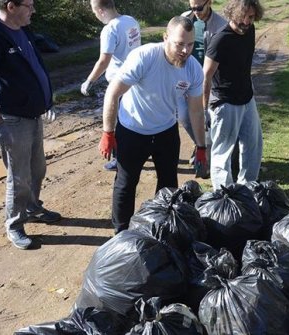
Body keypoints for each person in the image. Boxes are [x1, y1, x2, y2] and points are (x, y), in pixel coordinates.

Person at [98, 16, 207, 233]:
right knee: (126, 184)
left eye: (190, 44)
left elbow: (196, 110)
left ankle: (162, 231)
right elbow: (113, 93)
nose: (185, 50)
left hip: (166, 131)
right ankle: (121, 233)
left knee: (168, 187)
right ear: (165, 38)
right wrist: (108, 132)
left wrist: (202, 146)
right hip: (132, 131)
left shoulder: (193, 69)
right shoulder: (145, 57)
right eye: (179, 44)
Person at [0, 0, 62, 250]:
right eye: (29, 5)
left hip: (33, 115)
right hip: (12, 119)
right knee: (18, 176)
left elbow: (34, 66)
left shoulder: (23, 28)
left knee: (38, 168)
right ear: (11, 6)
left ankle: (32, 208)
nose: (33, 10)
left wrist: (46, 101)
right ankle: (14, 225)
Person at [203, 0, 264, 190]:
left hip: (247, 98)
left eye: (251, 17)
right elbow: (206, 76)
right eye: (242, 17)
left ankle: (248, 189)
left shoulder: (250, 30)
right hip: (225, 102)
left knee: (253, 145)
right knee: (223, 153)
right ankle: (224, 196)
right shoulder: (221, 39)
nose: (246, 21)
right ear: (232, 14)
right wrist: (205, 110)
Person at [81, 0, 141, 171]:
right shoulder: (130, 20)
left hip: (119, 82)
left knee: (118, 121)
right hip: (136, 77)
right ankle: (140, 150)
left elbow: (104, 60)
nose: (95, 15)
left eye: (94, 12)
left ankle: (119, 158)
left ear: (100, 10)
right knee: (134, 117)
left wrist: (89, 80)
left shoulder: (110, 29)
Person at [180, 0, 227, 177]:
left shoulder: (221, 24)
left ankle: (208, 156)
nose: (196, 11)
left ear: (210, 2)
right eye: (192, 7)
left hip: (211, 81)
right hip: (188, 79)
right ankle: (201, 147)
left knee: (207, 119)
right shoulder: (186, 19)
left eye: (199, 7)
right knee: (185, 116)